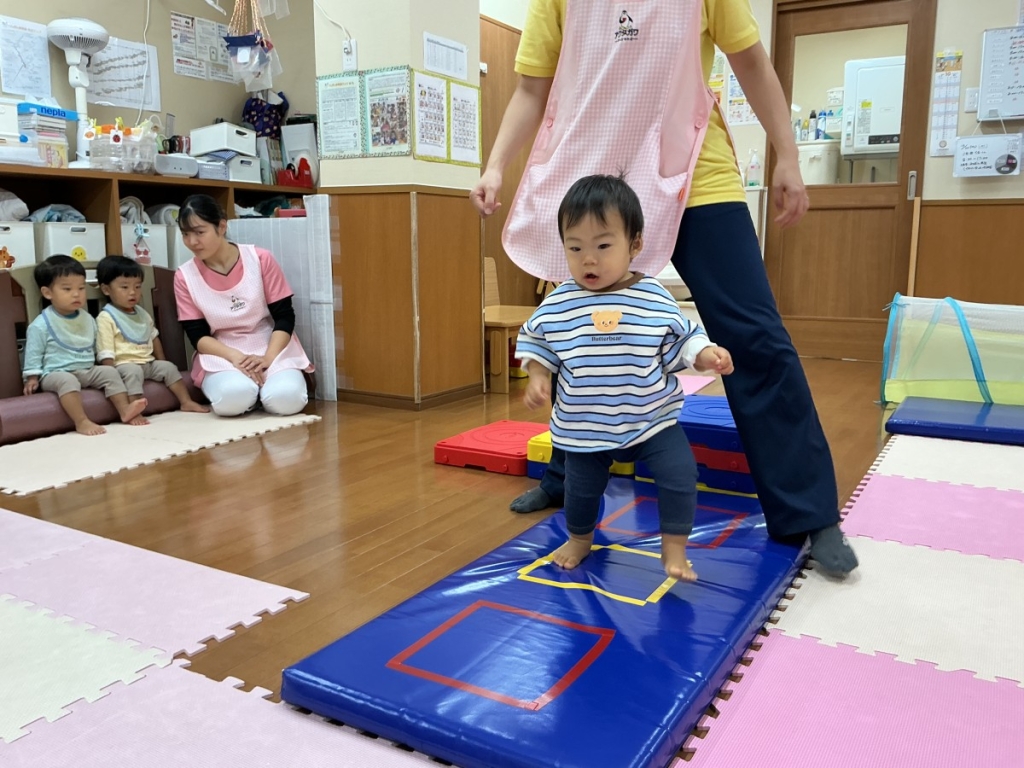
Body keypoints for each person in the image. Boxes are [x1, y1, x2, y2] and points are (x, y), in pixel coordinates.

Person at [471, 0, 858, 576]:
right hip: (595, 181)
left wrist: (789, 155)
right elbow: (533, 88)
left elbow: (751, 61)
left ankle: (808, 513)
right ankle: (565, 476)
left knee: (754, 338)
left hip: (695, 172)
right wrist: (496, 164)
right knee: (577, 334)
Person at [518, 175, 734, 581]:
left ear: (635, 245)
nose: (589, 260)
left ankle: (673, 550)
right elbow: (536, 341)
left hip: (651, 419)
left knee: (679, 475)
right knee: (580, 492)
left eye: (603, 246)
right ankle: (580, 539)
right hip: (585, 427)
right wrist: (537, 376)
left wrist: (705, 355)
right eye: (575, 248)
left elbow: (681, 337)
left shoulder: (652, 296)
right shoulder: (560, 302)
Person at [173, 194, 312, 417]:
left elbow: (285, 317)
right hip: (223, 352)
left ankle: (264, 391)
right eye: (185, 234)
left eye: (199, 232)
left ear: (221, 226)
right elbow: (197, 336)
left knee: (287, 400)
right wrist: (236, 358)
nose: (192, 242)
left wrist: (267, 358)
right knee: (232, 399)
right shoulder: (184, 277)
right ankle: (252, 395)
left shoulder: (261, 259)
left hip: (270, 345)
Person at [22, 255, 148, 435]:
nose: (76, 294)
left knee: (109, 372)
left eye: (81, 288)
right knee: (68, 380)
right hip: (56, 373)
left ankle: (125, 410)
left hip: (86, 370)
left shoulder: (87, 319)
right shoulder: (41, 324)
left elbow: (96, 344)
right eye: (67, 289)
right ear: (47, 293)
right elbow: (34, 352)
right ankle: (81, 421)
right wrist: (32, 377)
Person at [96, 255, 209, 421]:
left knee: (169, 368)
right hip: (124, 366)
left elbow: (154, 337)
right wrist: (111, 374)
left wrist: (161, 361)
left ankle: (186, 401)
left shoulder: (141, 314)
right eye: (124, 287)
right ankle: (133, 410)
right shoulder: (106, 317)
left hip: (147, 363)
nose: (132, 292)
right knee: (133, 372)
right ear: (106, 290)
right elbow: (105, 350)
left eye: (137, 286)